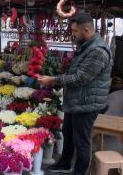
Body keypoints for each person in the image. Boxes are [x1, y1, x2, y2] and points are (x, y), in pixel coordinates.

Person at [38, 13, 113, 175]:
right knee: (68, 133)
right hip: (78, 101)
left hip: (87, 104)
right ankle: (65, 163)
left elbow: (81, 78)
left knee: (81, 142)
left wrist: (53, 80)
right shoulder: (87, 46)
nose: (72, 34)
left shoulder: (98, 51)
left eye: (74, 31)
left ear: (86, 29)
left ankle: (79, 172)